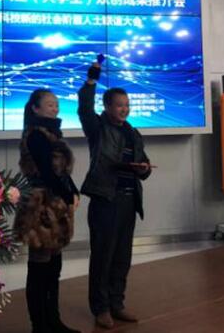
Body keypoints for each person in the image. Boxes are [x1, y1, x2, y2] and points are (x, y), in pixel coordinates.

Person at [78, 61, 152, 329]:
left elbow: (143, 162)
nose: (125, 109)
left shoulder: (132, 132)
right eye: (119, 105)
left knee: (122, 257)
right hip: (105, 199)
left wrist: (144, 169)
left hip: (129, 201)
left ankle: (117, 303)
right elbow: (84, 109)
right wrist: (91, 81)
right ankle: (101, 308)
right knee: (103, 257)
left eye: (127, 104)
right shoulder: (98, 128)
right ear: (107, 107)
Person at [14, 89, 81, 333]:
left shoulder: (52, 133)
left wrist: (73, 191)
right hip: (40, 207)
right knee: (39, 270)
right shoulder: (35, 135)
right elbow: (47, 172)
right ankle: (39, 326)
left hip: (56, 206)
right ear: (35, 108)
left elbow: (62, 173)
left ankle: (54, 321)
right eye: (50, 104)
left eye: (56, 104)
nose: (55, 108)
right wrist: (67, 195)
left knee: (53, 269)